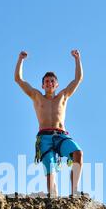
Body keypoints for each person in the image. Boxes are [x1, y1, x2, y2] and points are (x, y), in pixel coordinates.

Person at [14, 49, 83, 197]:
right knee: (50, 168)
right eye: (46, 81)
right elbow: (18, 79)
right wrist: (21, 59)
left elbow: (78, 79)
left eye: (52, 81)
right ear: (42, 86)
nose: (49, 83)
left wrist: (77, 59)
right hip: (44, 137)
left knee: (78, 153)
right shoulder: (37, 96)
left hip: (61, 135)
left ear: (57, 84)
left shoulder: (63, 96)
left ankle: (75, 192)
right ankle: (53, 196)